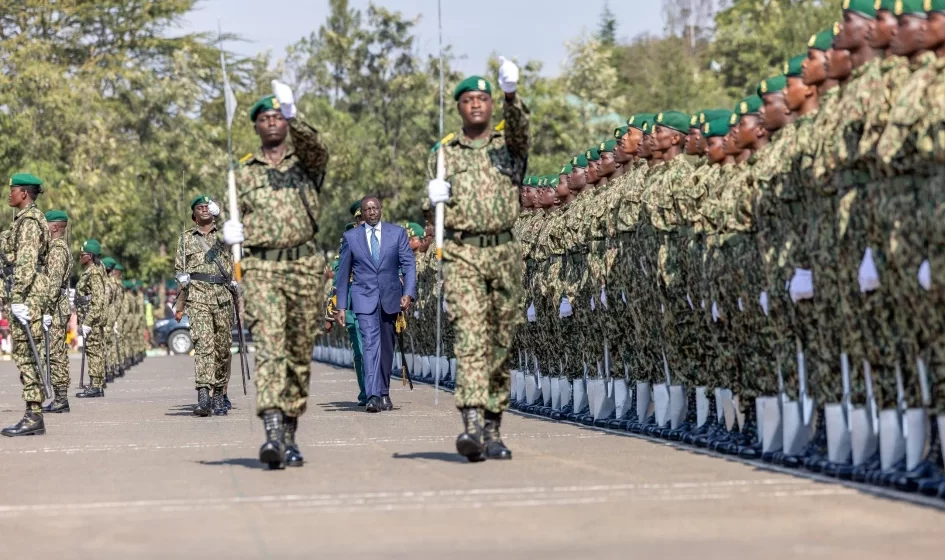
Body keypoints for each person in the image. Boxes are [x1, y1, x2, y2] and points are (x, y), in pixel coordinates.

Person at [426, 57, 529, 461]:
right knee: (470, 339)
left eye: (483, 99)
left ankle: (493, 426)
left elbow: (521, 127)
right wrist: (432, 197)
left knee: (500, 343)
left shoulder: (510, 147)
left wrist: (511, 94)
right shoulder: (444, 154)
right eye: (468, 100)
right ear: (459, 107)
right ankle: (470, 422)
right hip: (463, 252)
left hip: (504, 252)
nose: (475, 105)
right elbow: (428, 211)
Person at [222, 80, 329, 469]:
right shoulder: (243, 174)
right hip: (262, 267)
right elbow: (235, 220)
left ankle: (289, 430)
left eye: (276, 117)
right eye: (264, 118)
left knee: (299, 353)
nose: (271, 123)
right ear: (256, 127)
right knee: (269, 348)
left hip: (303, 265)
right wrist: (229, 234)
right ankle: (270, 430)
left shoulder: (307, 167)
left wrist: (292, 111)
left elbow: (318, 148)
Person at [334, 196, 417, 413]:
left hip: (391, 299)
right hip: (364, 299)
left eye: (375, 208)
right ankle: (371, 395)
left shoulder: (396, 233)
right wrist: (341, 306)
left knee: (386, 348)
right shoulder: (351, 237)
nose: (371, 212)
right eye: (367, 209)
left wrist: (408, 293)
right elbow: (342, 274)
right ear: (361, 213)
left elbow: (408, 264)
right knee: (369, 345)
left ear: (381, 210)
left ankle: (383, 392)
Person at [175, 195, 235, 417]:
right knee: (203, 347)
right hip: (198, 297)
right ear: (194, 214)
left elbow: (239, 233)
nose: (204, 209)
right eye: (200, 207)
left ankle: (219, 393)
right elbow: (180, 272)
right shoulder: (185, 239)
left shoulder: (225, 236)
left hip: (223, 297)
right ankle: (203, 395)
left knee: (222, 349)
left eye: (208, 207)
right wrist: (179, 304)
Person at [0, 173, 50, 436]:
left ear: (24, 194)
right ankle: (34, 413)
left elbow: (27, 262)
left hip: (27, 294)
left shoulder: (29, 222)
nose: (9, 194)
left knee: (27, 353)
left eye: (13, 190)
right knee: (27, 352)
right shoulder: (22, 221)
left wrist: (18, 296)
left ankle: (33, 415)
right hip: (29, 293)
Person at [41, 210, 73, 414]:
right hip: (56, 308)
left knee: (55, 354)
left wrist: (46, 310)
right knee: (55, 353)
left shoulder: (57, 250)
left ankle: (61, 398)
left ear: (53, 227)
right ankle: (60, 397)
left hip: (54, 309)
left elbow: (53, 284)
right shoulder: (54, 248)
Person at [74, 239, 108, 399]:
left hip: (91, 317)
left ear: (90, 256)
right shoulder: (91, 271)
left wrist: (87, 322)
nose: (80, 257)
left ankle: (95, 385)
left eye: (83, 254)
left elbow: (98, 299)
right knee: (94, 350)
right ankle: (97, 384)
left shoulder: (94, 272)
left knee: (94, 351)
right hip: (87, 315)